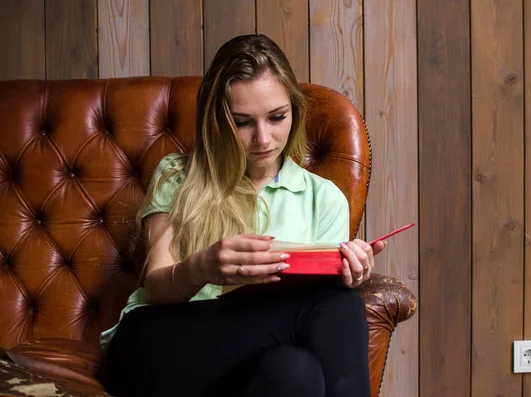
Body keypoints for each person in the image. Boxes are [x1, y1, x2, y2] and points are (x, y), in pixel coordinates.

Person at [101, 34, 387, 397]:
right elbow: (156, 286)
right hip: (157, 347)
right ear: (217, 120)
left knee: (296, 371)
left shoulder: (323, 198)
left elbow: (313, 312)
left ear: (294, 111)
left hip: (247, 368)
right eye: (242, 122)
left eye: (277, 117)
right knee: (339, 307)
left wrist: (350, 272)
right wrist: (203, 268)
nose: (263, 139)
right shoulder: (178, 175)